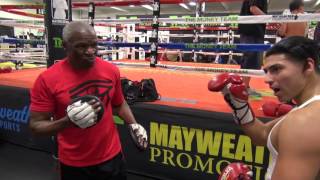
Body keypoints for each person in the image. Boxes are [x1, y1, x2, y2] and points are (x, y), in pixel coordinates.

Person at [29, 21, 148, 180]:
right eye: (82, 46)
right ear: (65, 45)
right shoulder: (47, 79)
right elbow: (36, 125)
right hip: (74, 163)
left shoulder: (110, 70)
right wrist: (67, 121)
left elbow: (119, 104)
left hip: (112, 157)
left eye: (94, 45)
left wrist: (133, 124)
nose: (91, 51)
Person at [209, 36, 320, 179]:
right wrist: (239, 105)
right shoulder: (308, 111)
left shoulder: (305, 121)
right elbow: (262, 134)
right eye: (266, 71)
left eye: (276, 69)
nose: (267, 79)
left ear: (308, 66)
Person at [238, 0, 268, 96]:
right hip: (252, 30)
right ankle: (243, 88)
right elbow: (253, 8)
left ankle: (243, 87)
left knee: (249, 59)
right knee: (250, 58)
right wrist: (270, 19)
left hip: (251, 30)